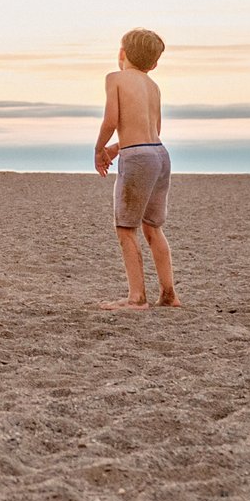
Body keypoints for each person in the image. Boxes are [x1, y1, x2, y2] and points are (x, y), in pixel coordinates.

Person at [94, 28, 177, 309]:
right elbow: (153, 129)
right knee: (153, 227)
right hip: (159, 154)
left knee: (125, 228)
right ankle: (169, 294)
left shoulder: (115, 78)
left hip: (138, 158)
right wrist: (115, 149)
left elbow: (111, 120)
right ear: (154, 64)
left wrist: (99, 149)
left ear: (122, 53)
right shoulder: (153, 86)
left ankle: (136, 298)